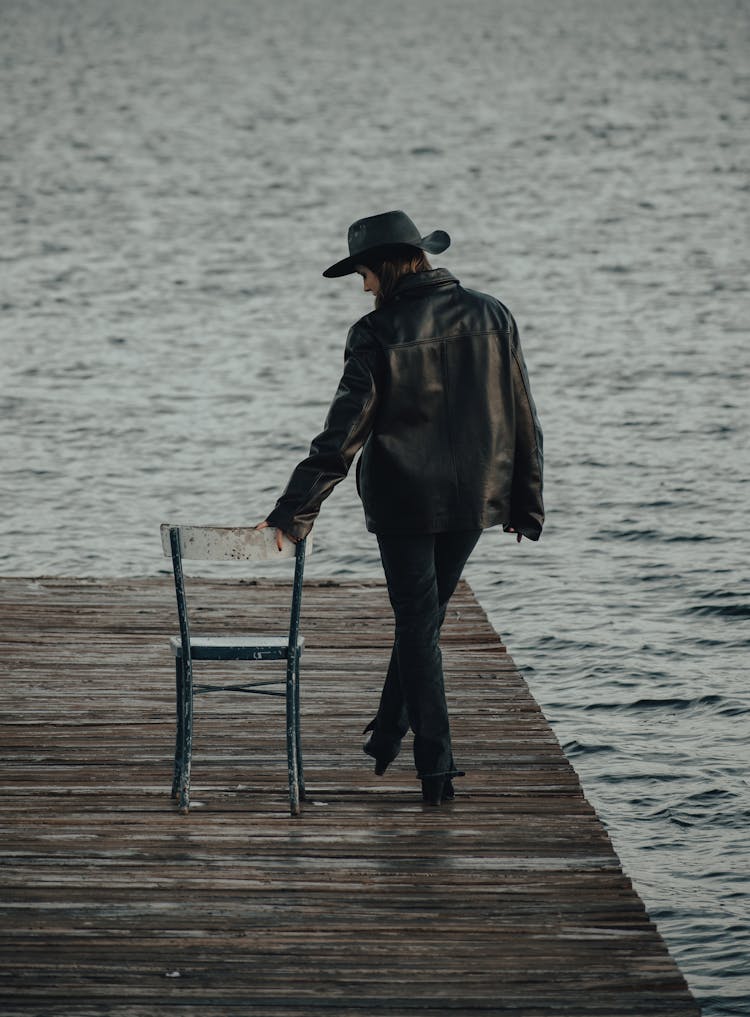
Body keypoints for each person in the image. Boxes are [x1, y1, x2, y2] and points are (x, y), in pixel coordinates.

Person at [257, 210, 543, 806]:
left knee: (419, 623)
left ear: (383, 268)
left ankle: (435, 768)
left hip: (405, 503)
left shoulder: (376, 331)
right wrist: (525, 502)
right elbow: (523, 414)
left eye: (361, 273)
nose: (360, 286)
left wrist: (292, 511)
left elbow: (342, 435)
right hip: (474, 499)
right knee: (424, 621)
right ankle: (388, 732)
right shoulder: (493, 314)